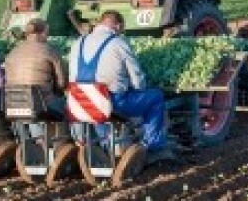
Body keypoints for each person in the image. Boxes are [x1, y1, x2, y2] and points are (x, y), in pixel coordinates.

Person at [68, 10, 175, 164]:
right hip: (111, 102)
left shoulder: (78, 42)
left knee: (98, 107)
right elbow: (137, 79)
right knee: (156, 97)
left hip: (79, 102)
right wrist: (138, 88)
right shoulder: (119, 43)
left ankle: (106, 146)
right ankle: (154, 147)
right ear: (118, 26)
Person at [4, 18, 67, 116]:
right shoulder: (49, 50)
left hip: (13, 105)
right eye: (47, 33)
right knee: (68, 105)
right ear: (43, 33)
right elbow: (62, 83)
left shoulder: (12, 52)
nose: (47, 37)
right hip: (40, 106)